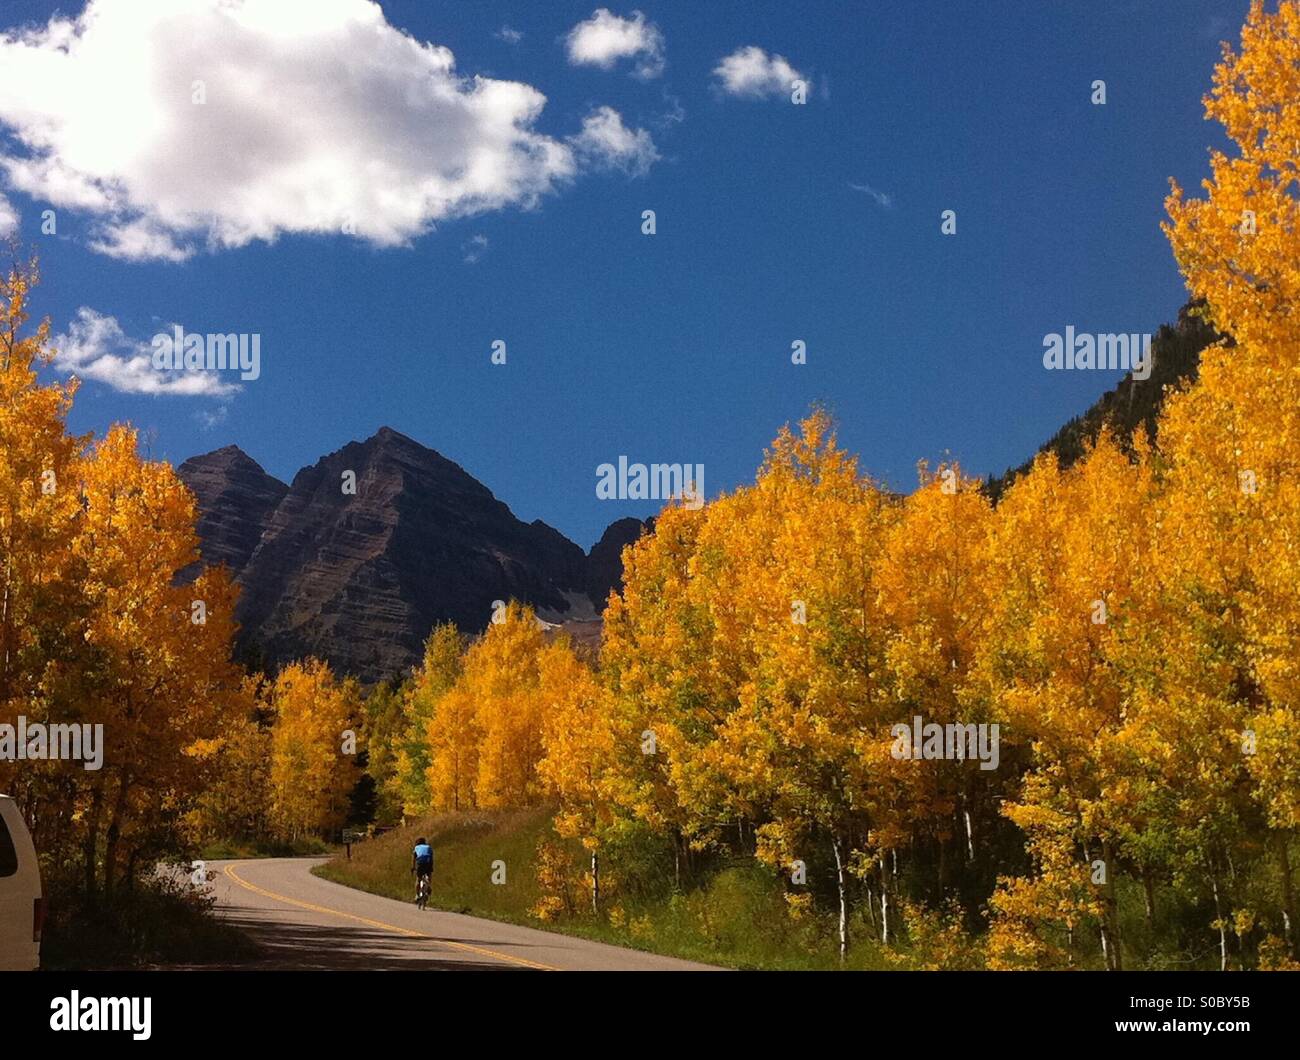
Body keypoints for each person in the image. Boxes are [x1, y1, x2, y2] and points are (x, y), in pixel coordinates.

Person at [411, 837, 433, 902]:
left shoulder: (416, 848)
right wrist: (431, 867)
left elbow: (413, 858)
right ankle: (428, 885)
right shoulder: (429, 847)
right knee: (429, 876)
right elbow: (431, 857)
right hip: (428, 862)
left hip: (420, 862)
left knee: (418, 879)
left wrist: (413, 867)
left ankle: (417, 895)